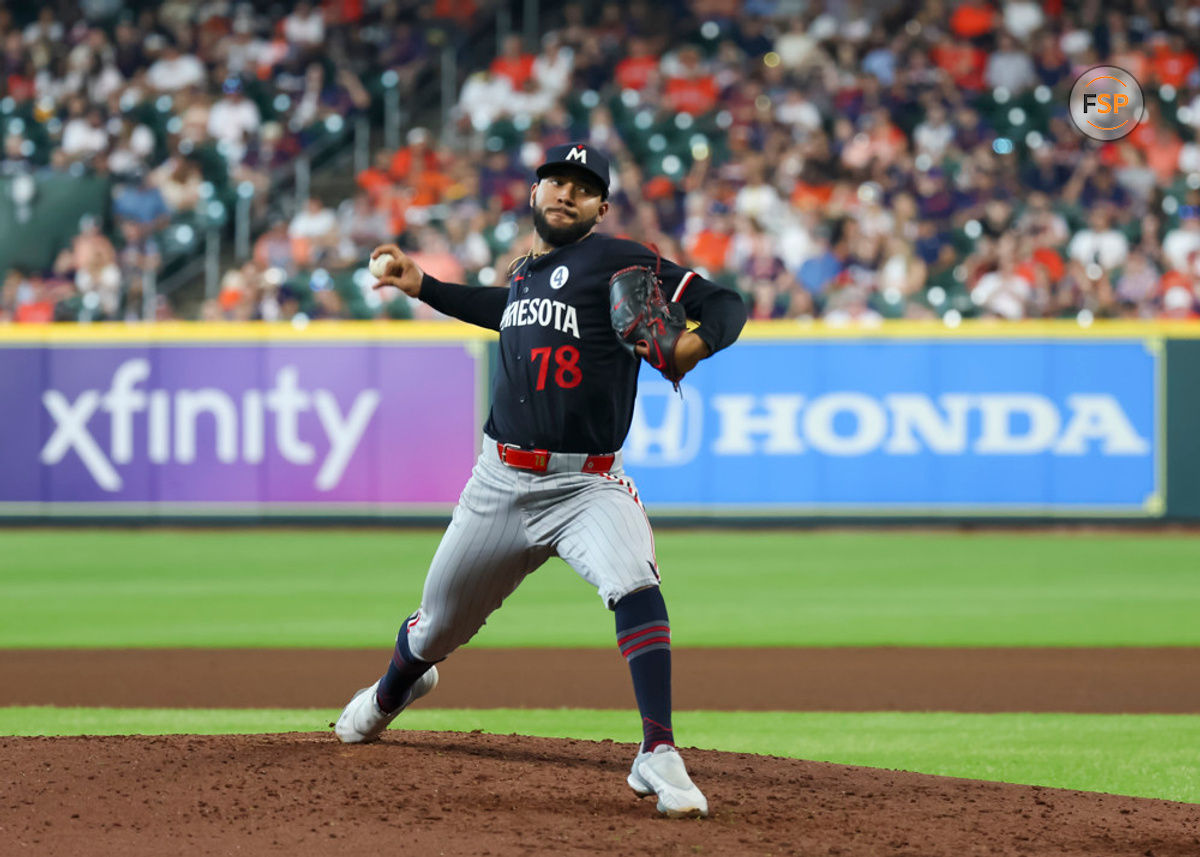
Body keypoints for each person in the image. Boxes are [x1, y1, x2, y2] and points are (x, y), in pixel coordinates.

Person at [334, 143, 747, 818]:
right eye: (556, 180)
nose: (566, 192)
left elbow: (724, 302)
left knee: (635, 581)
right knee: (435, 624)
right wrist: (423, 286)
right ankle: (391, 691)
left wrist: (691, 345)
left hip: (588, 485)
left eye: (583, 187)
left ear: (600, 207)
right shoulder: (524, 275)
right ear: (534, 193)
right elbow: (503, 309)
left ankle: (658, 749)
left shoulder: (620, 258)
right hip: (499, 482)